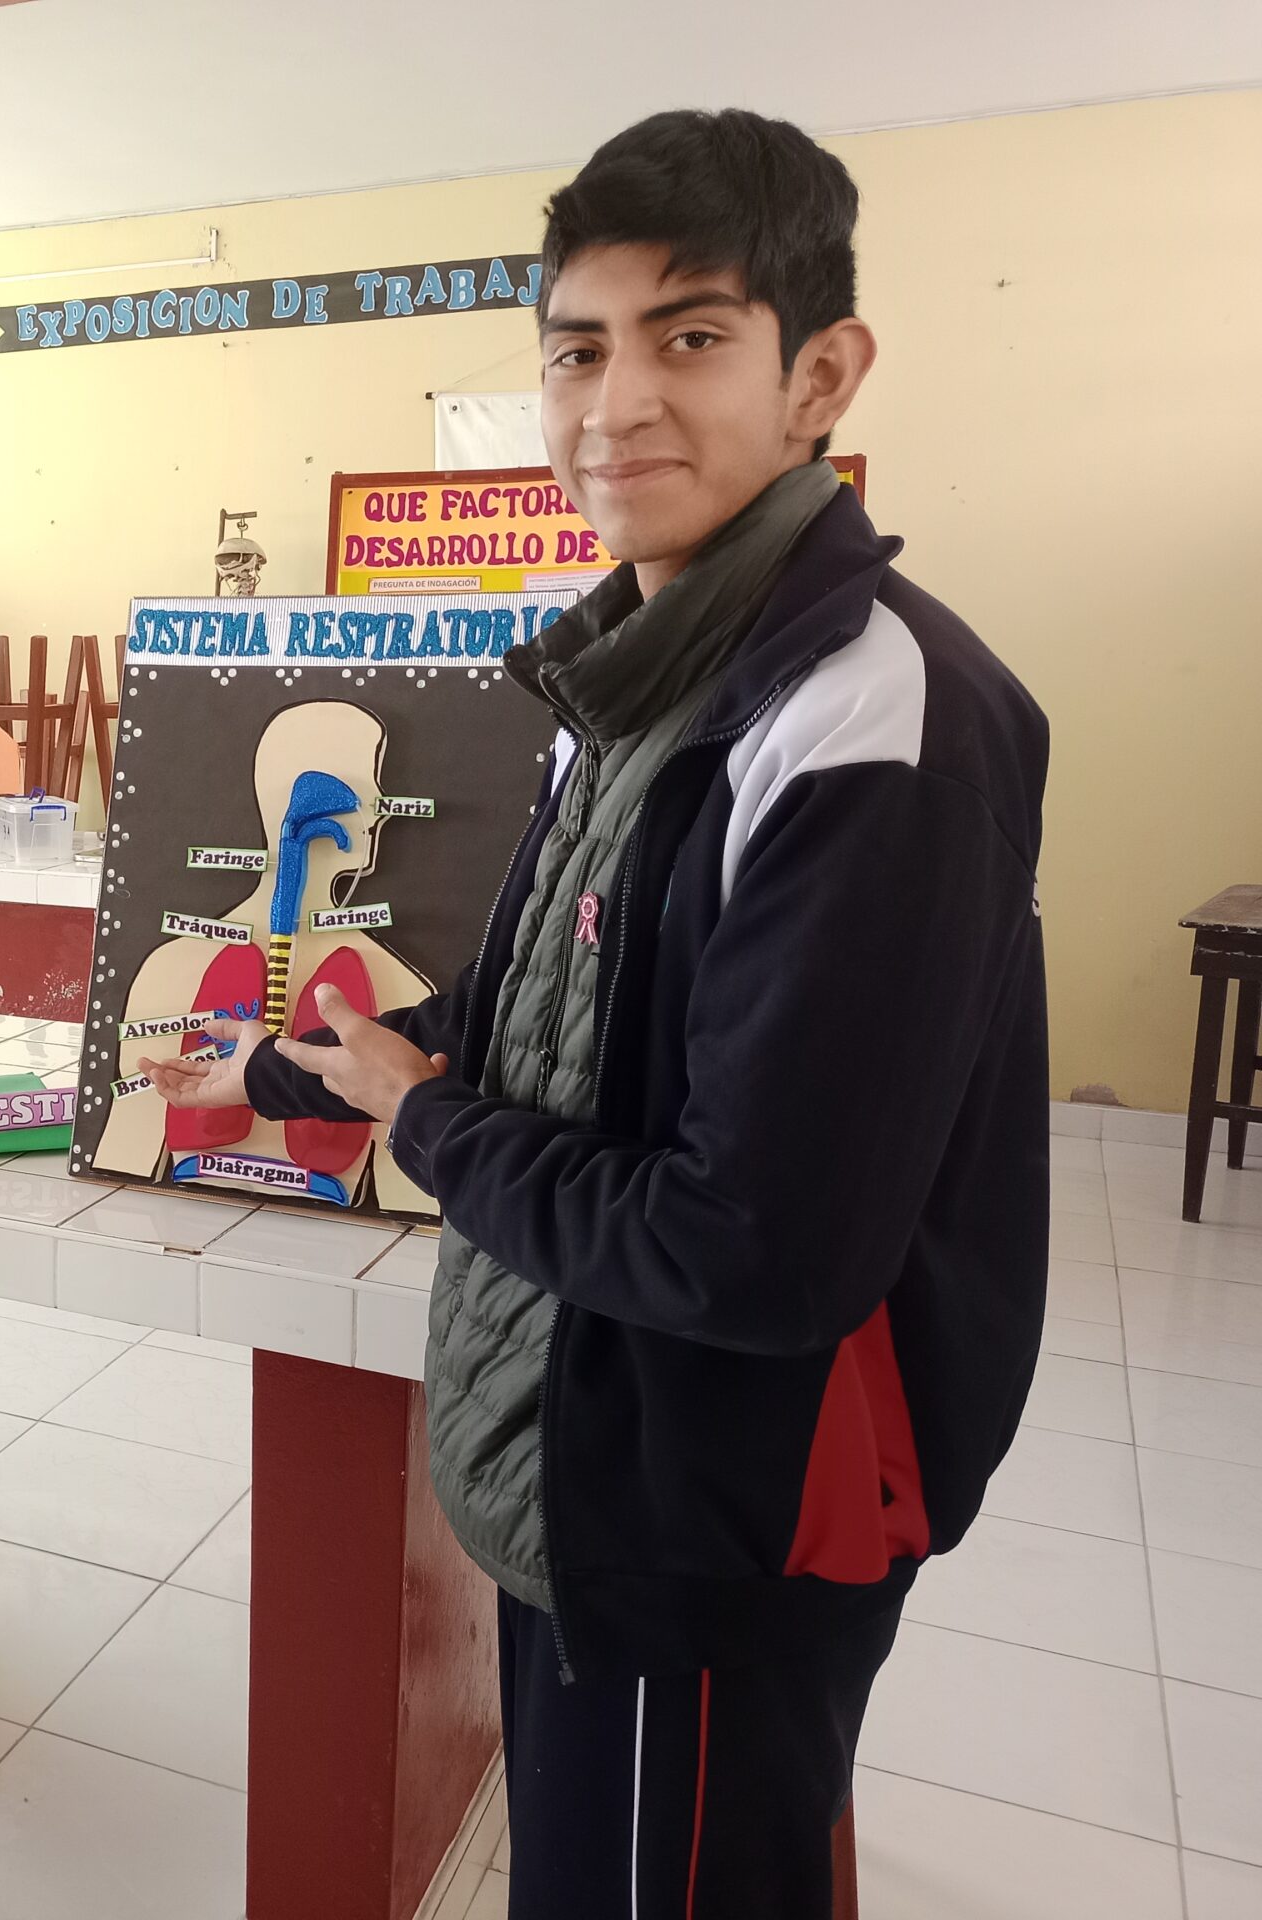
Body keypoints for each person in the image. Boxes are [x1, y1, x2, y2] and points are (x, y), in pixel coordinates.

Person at [143, 108, 1048, 1919]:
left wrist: (424, 1121)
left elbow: (749, 1252)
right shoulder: (635, 675)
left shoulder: (867, 719)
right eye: (576, 350)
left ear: (819, 376)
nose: (615, 404)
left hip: (708, 1511)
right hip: (579, 1447)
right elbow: (536, 1012)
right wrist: (282, 1071)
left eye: (689, 337)